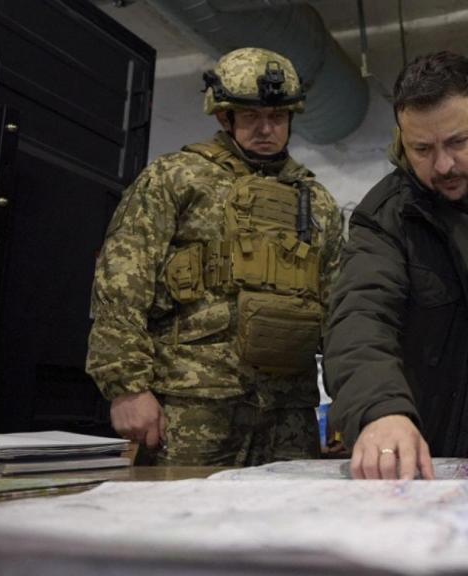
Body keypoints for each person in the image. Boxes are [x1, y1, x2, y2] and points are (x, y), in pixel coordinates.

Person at [86, 47, 344, 466]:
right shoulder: (176, 177)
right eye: (251, 117)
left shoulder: (317, 201)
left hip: (289, 410)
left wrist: (350, 401)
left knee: (284, 526)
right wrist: (127, 386)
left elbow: (340, 309)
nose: (266, 129)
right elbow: (121, 280)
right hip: (193, 400)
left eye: (277, 117)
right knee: (175, 525)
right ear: (224, 117)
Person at [324, 51, 468, 480]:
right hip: (447, 438)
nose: (444, 165)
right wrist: (380, 410)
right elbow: (359, 318)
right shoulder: (387, 217)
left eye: (458, 142)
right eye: (422, 149)